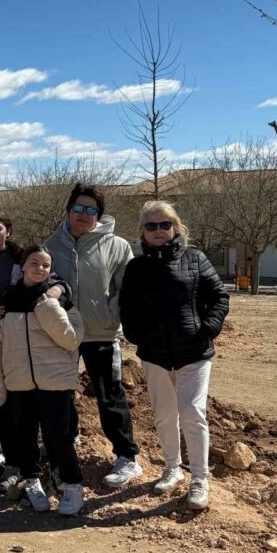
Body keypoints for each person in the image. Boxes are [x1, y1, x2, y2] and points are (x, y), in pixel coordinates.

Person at [119, 201, 229, 511]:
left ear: (175, 227)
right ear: (142, 231)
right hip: (154, 354)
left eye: (164, 224)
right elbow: (127, 306)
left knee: (192, 413)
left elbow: (219, 296)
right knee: (164, 415)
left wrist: (208, 328)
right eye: (151, 226)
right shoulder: (136, 267)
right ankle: (172, 468)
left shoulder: (196, 258)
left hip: (194, 352)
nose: (158, 230)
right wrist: (135, 334)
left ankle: (199, 479)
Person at [46, 183, 143, 489]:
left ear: (98, 215)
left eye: (91, 210)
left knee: (109, 395)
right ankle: (69, 441)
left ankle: (127, 456)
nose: (83, 214)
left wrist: (111, 313)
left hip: (102, 333)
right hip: (62, 333)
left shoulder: (117, 246)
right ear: (68, 210)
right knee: (61, 393)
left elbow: (126, 288)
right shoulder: (52, 245)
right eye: (78, 208)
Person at [0, 209, 67, 487]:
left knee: (33, 406)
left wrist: (57, 290)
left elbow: (53, 279)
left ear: (8, 230)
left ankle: (49, 464)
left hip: (29, 343)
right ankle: (12, 461)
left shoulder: (22, 257)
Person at [0, 246, 86, 516]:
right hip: (19, 383)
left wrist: (49, 307)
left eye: (46, 265)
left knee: (60, 437)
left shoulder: (59, 300)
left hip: (55, 383)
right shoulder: (6, 302)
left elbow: (72, 339)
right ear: (23, 266)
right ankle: (32, 482)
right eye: (35, 263)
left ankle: (73, 485)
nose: (40, 269)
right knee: (25, 437)